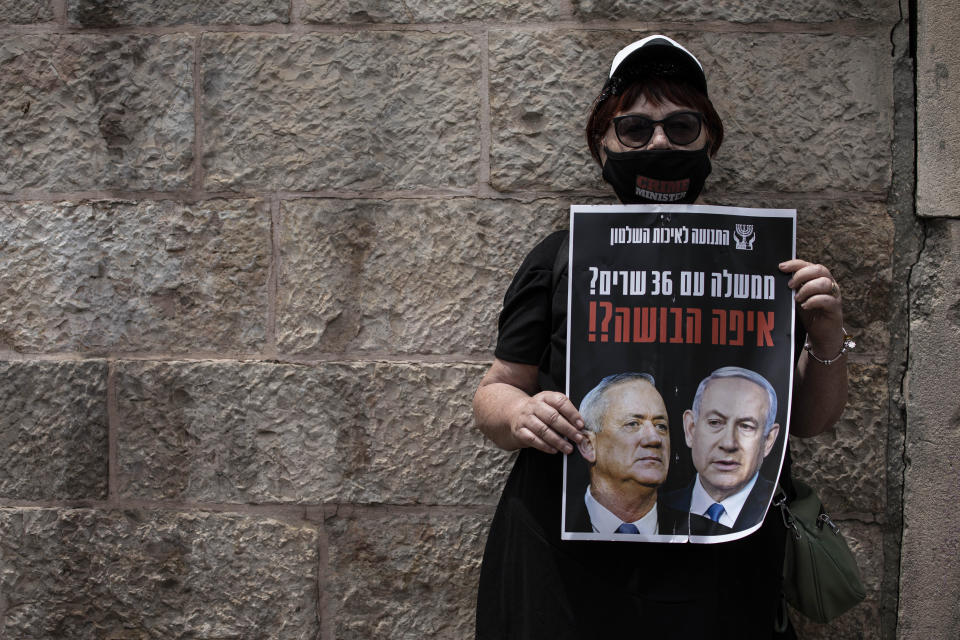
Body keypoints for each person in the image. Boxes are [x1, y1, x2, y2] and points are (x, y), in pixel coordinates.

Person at [473, 34, 848, 639]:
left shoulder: (762, 263)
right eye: (635, 130)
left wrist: (825, 334)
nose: (659, 145)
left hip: (718, 563)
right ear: (601, 144)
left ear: (710, 141)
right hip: (565, 561)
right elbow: (494, 391)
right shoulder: (558, 257)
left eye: (681, 128)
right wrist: (519, 412)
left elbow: (805, 422)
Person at [665, 367, 782, 535]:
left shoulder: (780, 511)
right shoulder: (657, 508)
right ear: (690, 429)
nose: (728, 443)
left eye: (746, 426)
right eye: (715, 422)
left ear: (768, 440)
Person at [565, 372, 684, 535]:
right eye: (633, 424)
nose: (655, 439)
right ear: (588, 445)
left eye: (661, 426)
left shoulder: (696, 530)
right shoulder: (548, 526)